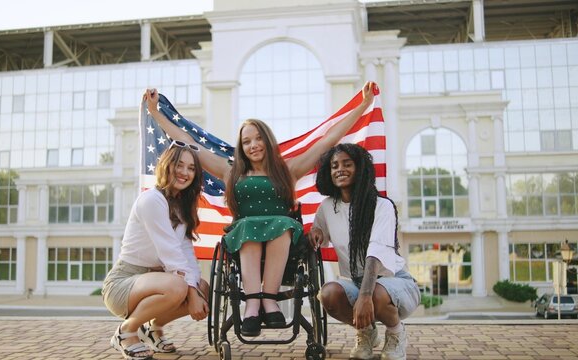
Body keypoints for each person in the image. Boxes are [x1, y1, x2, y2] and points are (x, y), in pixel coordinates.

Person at [144, 82, 375, 337]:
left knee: (279, 223)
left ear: (267, 140)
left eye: (258, 138)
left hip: (285, 236)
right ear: (241, 147)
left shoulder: (289, 169)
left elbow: (328, 140)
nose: (253, 145)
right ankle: (253, 303)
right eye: (246, 141)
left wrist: (363, 105)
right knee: (249, 226)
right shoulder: (229, 171)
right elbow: (187, 141)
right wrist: (155, 113)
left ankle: (269, 299)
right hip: (243, 235)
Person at [308, 143, 420, 360]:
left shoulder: (382, 206)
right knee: (328, 294)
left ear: (360, 169)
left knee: (376, 293)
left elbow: (375, 252)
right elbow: (319, 231)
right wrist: (315, 232)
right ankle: (366, 333)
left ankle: (396, 333)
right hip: (356, 282)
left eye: (347, 164)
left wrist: (365, 295)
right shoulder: (327, 207)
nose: (340, 169)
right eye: (334, 166)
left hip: (394, 282)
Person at [102, 143, 209, 360]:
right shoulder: (152, 200)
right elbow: (170, 253)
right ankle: (126, 331)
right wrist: (190, 291)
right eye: (179, 165)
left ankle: (152, 329)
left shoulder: (181, 206)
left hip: (153, 280)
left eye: (191, 168)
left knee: (203, 289)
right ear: (166, 165)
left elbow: (186, 252)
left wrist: (196, 291)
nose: (184, 172)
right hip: (123, 283)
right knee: (179, 286)